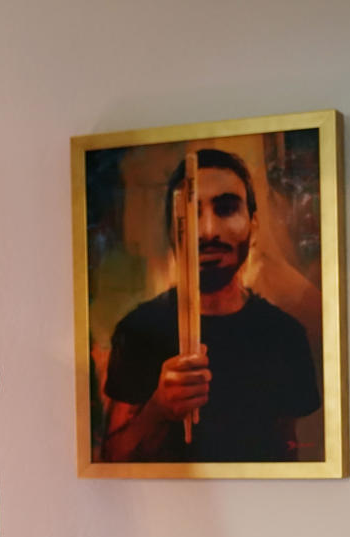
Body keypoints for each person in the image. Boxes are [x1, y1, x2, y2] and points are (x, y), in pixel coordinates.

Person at [100, 148, 320, 462]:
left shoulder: (285, 336)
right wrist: (158, 409)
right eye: (190, 215)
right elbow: (111, 459)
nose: (207, 231)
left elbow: (292, 453)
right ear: (172, 232)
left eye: (227, 209)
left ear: (254, 225)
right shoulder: (138, 330)